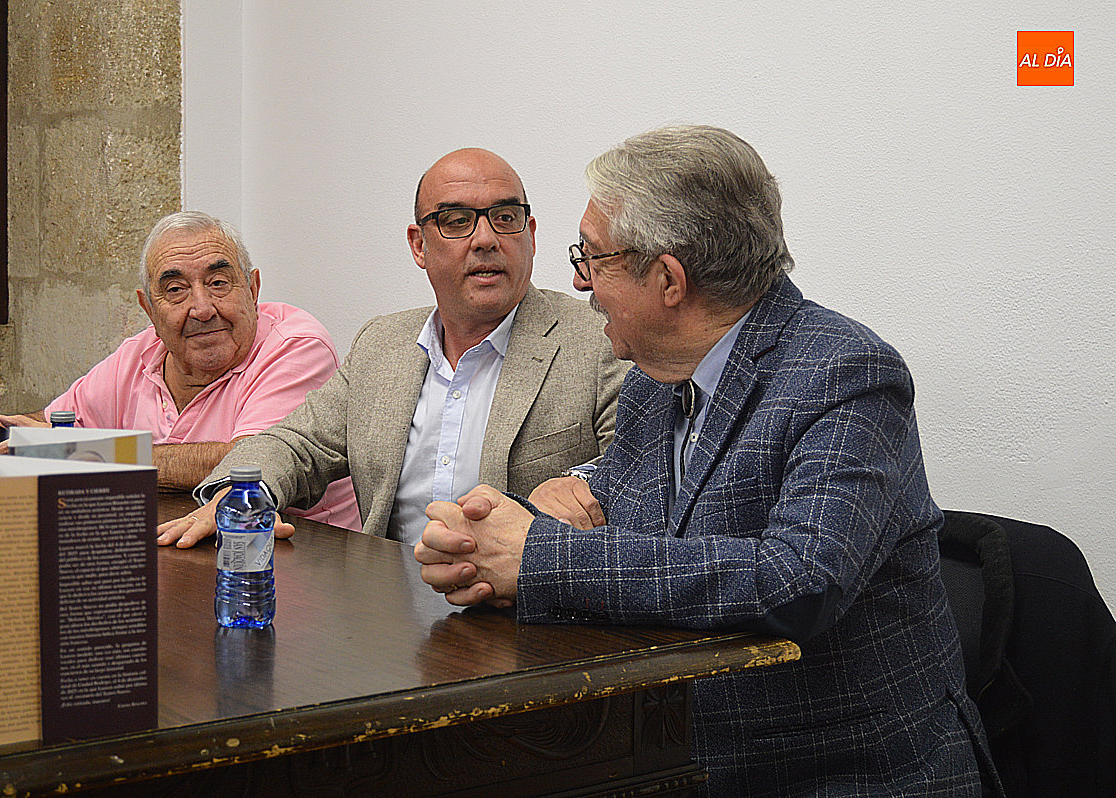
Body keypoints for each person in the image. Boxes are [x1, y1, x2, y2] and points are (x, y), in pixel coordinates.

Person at [415, 127, 1000, 796]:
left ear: (668, 280)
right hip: (673, 756)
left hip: (842, 775)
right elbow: (612, 515)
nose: (579, 281)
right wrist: (485, 538)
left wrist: (537, 558)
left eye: (592, 257)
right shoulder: (653, 378)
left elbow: (797, 582)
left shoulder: (845, 373)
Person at [156, 148, 627, 548]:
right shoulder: (382, 345)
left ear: (531, 235)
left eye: (505, 219)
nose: (486, 239)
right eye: (457, 221)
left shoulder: (599, 340)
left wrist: (575, 492)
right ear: (419, 246)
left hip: (520, 608)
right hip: (387, 603)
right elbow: (297, 444)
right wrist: (240, 494)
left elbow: (637, 477)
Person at [0, 211, 360, 529]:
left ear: (253, 289)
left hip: (293, 559)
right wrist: (2, 437)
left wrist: (82, 453)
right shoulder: (142, 352)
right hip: (172, 547)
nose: (202, 309)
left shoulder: (296, 346)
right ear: (149, 309)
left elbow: (252, 462)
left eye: (218, 283)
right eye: (175, 290)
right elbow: (54, 424)